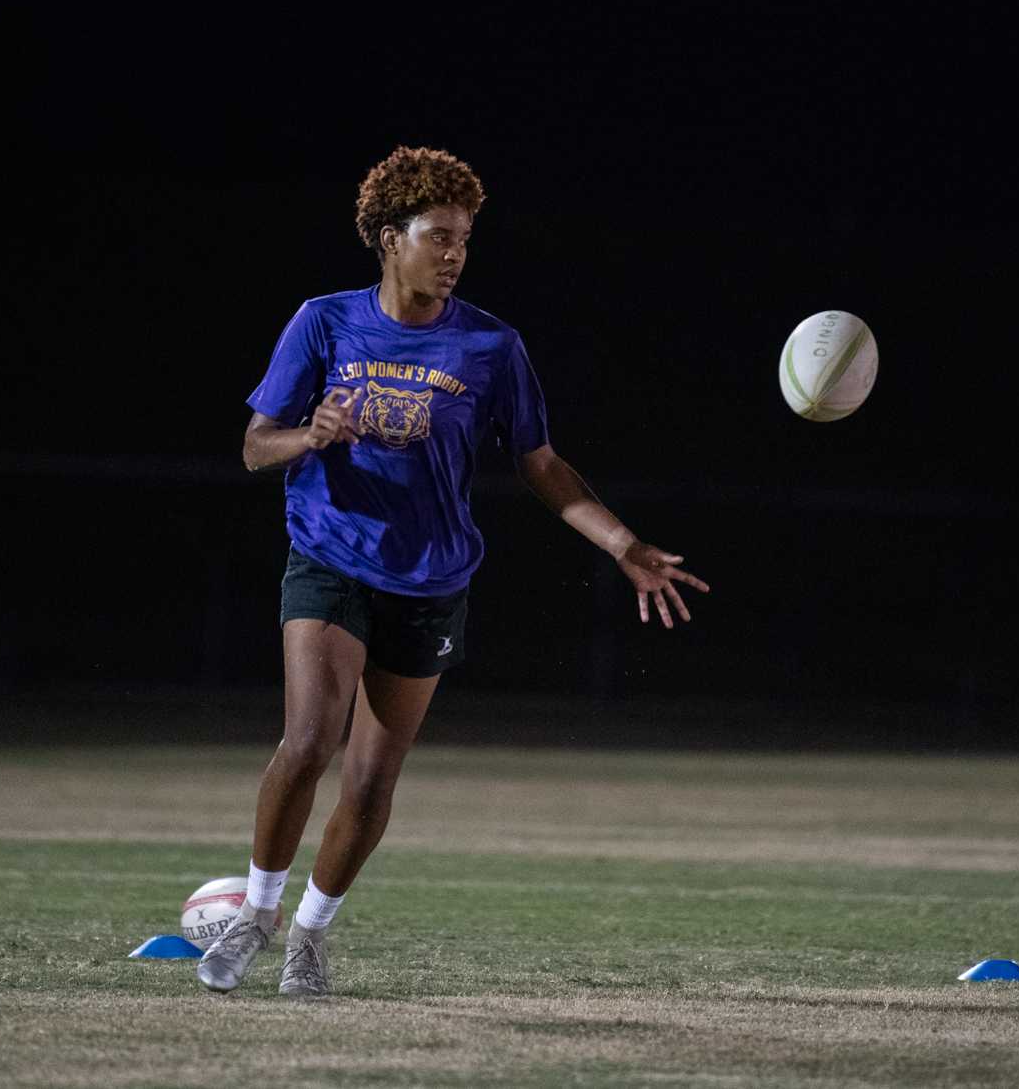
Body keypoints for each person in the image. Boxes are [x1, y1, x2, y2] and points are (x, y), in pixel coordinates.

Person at [194, 144, 709, 999]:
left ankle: (311, 939)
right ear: (389, 237)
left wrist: (621, 543)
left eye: (464, 237)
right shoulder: (324, 322)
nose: (455, 252)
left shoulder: (491, 345)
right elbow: (256, 445)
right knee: (312, 737)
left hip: (432, 576)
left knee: (371, 774)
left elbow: (540, 463)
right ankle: (256, 912)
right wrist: (313, 434)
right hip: (330, 552)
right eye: (438, 234)